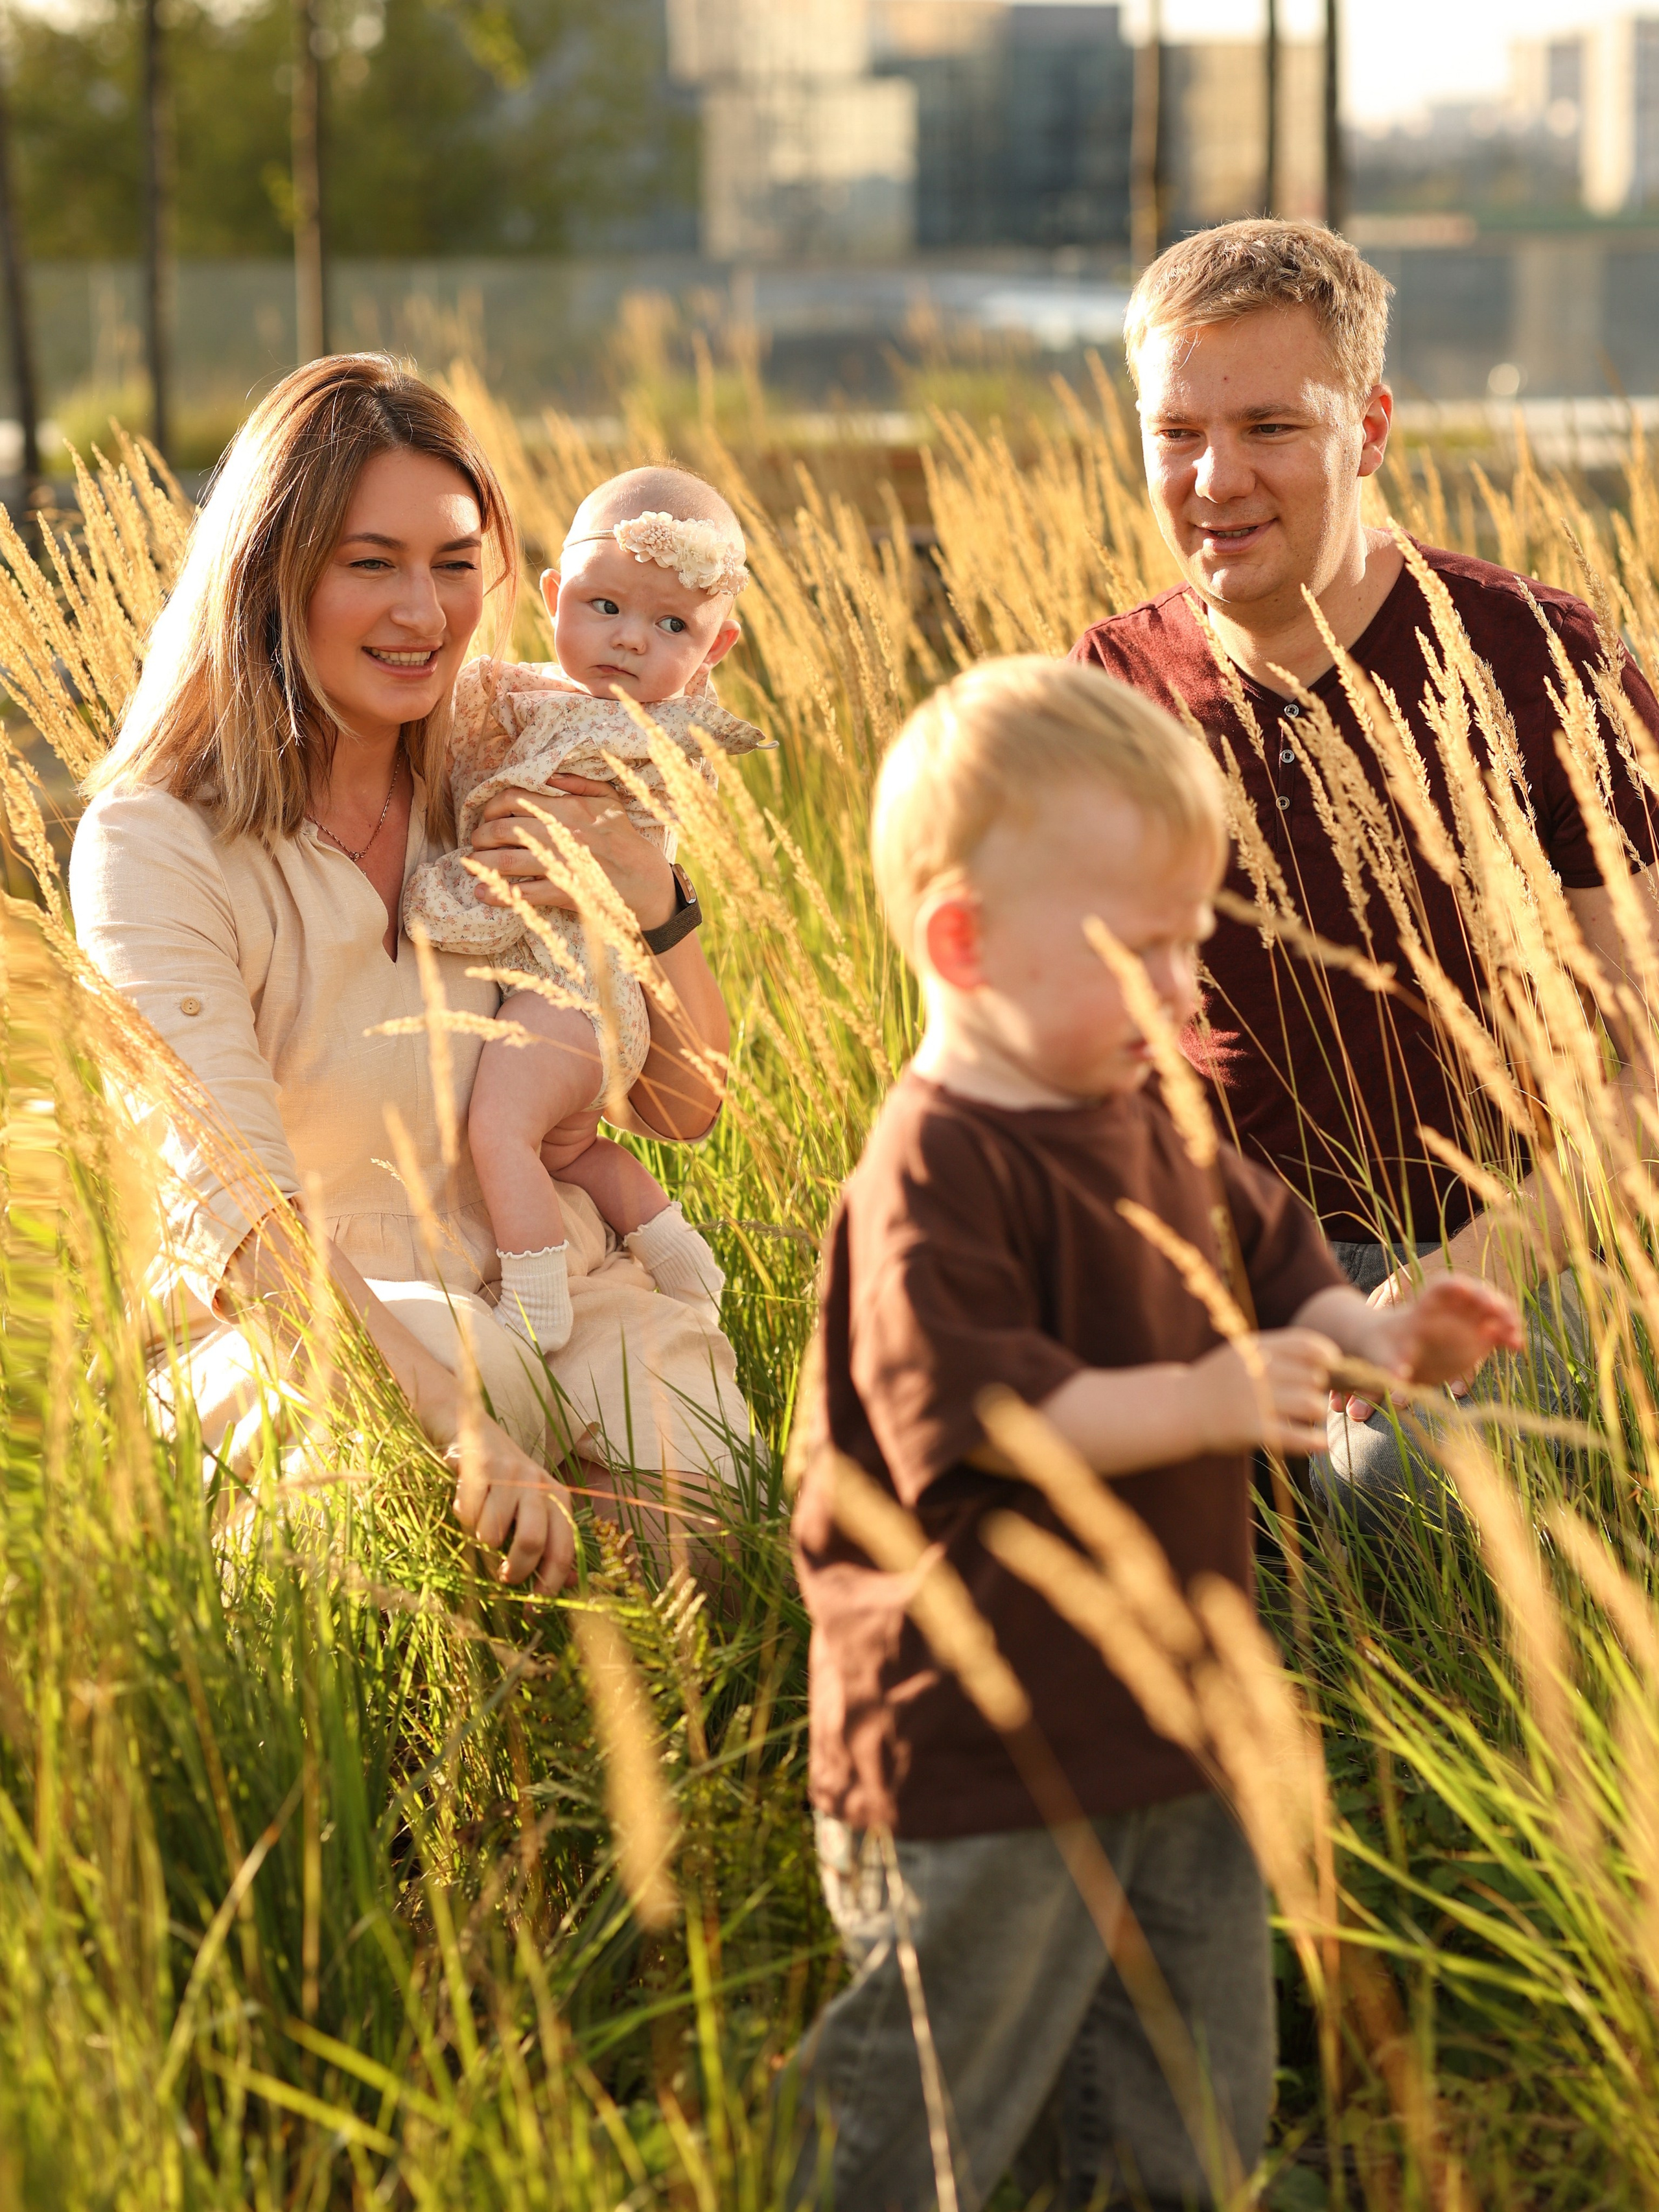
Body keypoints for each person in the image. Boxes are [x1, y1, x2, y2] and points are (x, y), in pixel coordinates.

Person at [788, 657, 1520, 2211]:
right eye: (1139, 952)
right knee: (934, 2106)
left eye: (1194, 941)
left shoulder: (1155, 1114)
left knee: (1187, 2087)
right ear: (960, 943)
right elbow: (979, 1414)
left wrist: (1379, 1343)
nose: (1186, 992)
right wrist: (1203, 1397)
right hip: (975, 1752)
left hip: (1175, 1718)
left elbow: (1280, 1276)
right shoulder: (934, 1169)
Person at [69, 356, 750, 1590]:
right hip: (305, 1322)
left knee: (701, 1542)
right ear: (271, 574)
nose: (423, 614)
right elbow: (242, 1218)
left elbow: (684, 1111)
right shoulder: (155, 842)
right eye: (370, 562)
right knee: (407, 1560)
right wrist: (466, 1429)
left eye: (451, 563)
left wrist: (654, 902)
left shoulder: (513, 750)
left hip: (560, 1282)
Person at [1069, 218, 1659, 1517]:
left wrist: (1454, 1281)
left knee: (1371, 1496)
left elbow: (1648, 1072)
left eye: (1268, 427)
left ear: (1370, 430)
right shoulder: (1105, 693)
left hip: (1494, 1257)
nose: (1213, 479)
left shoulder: (1534, 665)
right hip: (1211, 1276)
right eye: (1176, 433)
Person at [402, 466, 764, 1355]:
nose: (631, 643)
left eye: (672, 625)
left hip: (570, 983)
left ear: (715, 652)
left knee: (502, 1126)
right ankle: (675, 1246)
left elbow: (512, 825)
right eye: (605, 608)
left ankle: (533, 1295)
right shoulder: (560, 697)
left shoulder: (638, 730)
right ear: (556, 596)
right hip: (589, 1000)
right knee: (566, 1149)